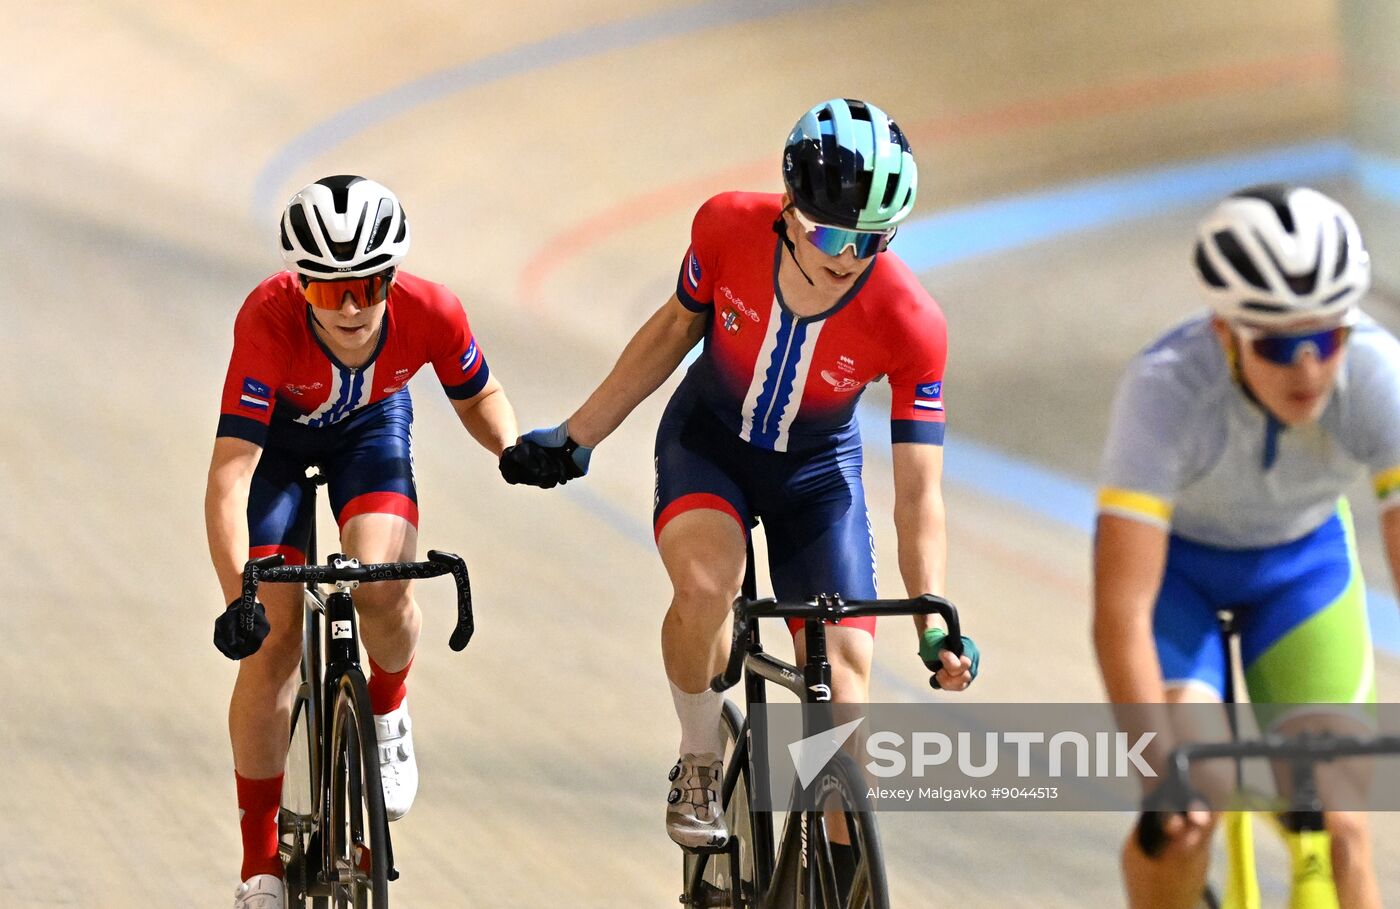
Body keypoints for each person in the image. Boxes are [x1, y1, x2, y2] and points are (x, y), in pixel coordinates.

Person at [499, 98, 979, 852]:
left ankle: (835, 867)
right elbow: (670, 331)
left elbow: (919, 492)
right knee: (706, 589)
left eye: (870, 240)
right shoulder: (725, 226)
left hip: (817, 479)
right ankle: (697, 755)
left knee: (844, 690)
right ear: (788, 206)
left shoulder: (912, 320)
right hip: (710, 447)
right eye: (829, 231)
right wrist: (576, 436)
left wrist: (930, 618)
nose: (847, 256)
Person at [205, 175, 517, 908]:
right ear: (300, 284)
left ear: (392, 277)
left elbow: (481, 395)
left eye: (367, 286)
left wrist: (510, 449)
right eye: (328, 292)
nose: (350, 307)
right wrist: (235, 598)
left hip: (371, 430)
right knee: (273, 641)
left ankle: (387, 706)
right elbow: (230, 477)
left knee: (381, 580)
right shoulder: (267, 320)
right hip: (277, 443)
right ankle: (260, 863)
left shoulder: (431, 311)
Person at [1093, 185, 1400, 909]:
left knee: (1345, 827)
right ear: (1225, 332)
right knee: (1184, 814)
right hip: (1181, 578)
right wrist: (1158, 767)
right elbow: (1123, 614)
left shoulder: (1379, 375)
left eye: (1325, 339)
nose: (1307, 370)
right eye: (1277, 345)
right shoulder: (1163, 389)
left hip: (1302, 572)